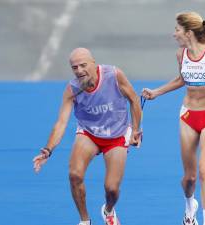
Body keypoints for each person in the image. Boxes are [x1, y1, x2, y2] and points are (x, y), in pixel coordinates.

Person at [142, 12, 205, 225]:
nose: (173, 34)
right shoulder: (181, 55)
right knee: (189, 178)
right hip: (188, 116)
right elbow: (181, 79)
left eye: (177, 30)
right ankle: (189, 209)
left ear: (188, 33)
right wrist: (156, 92)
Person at [33, 48, 142, 225]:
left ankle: (108, 210)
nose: (79, 71)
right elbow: (61, 122)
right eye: (74, 68)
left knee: (112, 189)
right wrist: (47, 150)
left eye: (83, 65)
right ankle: (85, 220)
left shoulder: (114, 75)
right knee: (74, 175)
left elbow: (134, 99)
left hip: (117, 136)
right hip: (89, 134)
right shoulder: (72, 89)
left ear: (94, 63)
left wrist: (136, 129)